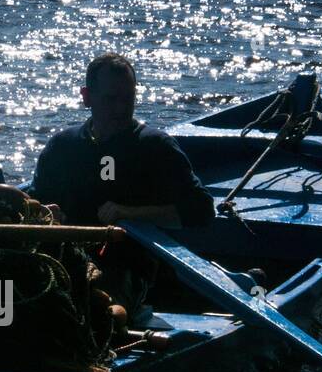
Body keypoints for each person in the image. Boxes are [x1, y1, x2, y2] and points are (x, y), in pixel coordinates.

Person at [31, 53, 215, 320]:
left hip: (128, 268)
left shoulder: (155, 147)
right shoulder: (63, 147)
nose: (120, 108)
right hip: (66, 260)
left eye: (127, 99)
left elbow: (201, 210)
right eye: (110, 99)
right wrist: (46, 213)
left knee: (84, 308)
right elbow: (36, 200)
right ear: (86, 97)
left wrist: (131, 213)